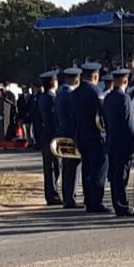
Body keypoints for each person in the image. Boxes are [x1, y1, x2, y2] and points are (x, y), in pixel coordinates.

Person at [72, 62, 109, 213]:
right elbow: (103, 113)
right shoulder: (96, 92)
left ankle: (88, 199)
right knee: (99, 169)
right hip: (96, 135)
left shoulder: (75, 93)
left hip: (81, 134)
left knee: (86, 169)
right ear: (95, 76)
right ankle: (96, 202)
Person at [103, 69, 134, 217]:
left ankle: (118, 204)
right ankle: (122, 206)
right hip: (123, 143)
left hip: (112, 140)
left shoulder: (108, 98)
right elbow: (129, 125)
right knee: (121, 176)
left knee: (115, 176)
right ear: (126, 81)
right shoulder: (124, 98)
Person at [57, 67, 82, 209]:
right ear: (77, 80)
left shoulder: (60, 93)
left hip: (63, 132)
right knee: (73, 166)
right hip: (72, 134)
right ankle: (71, 197)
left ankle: (68, 196)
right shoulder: (71, 95)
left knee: (67, 167)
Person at [38, 70, 63, 206]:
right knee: (54, 166)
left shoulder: (42, 97)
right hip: (52, 135)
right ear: (53, 82)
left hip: (45, 134)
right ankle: (52, 194)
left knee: (50, 167)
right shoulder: (52, 99)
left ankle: (51, 193)